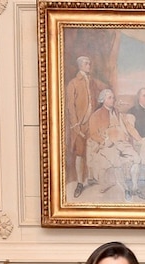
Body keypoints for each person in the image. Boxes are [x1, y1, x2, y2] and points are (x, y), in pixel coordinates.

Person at [86, 88, 145, 200]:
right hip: (109, 145)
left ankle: (135, 188)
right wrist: (104, 141)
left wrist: (139, 139)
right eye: (110, 98)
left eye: (113, 97)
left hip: (122, 143)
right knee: (118, 163)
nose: (113, 100)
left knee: (137, 159)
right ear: (103, 100)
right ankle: (126, 189)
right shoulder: (96, 115)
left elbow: (129, 127)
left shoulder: (118, 113)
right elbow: (93, 134)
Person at [66, 55, 104, 198]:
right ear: (80, 66)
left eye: (90, 63)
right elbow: (70, 106)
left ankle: (91, 178)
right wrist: (75, 125)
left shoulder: (92, 82)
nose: (89, 66)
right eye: (87, 64)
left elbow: (102, 92)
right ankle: (80, 184)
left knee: (93, 150)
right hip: (80, 124)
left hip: (91, 123)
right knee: (80, 154)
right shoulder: (73, 83)